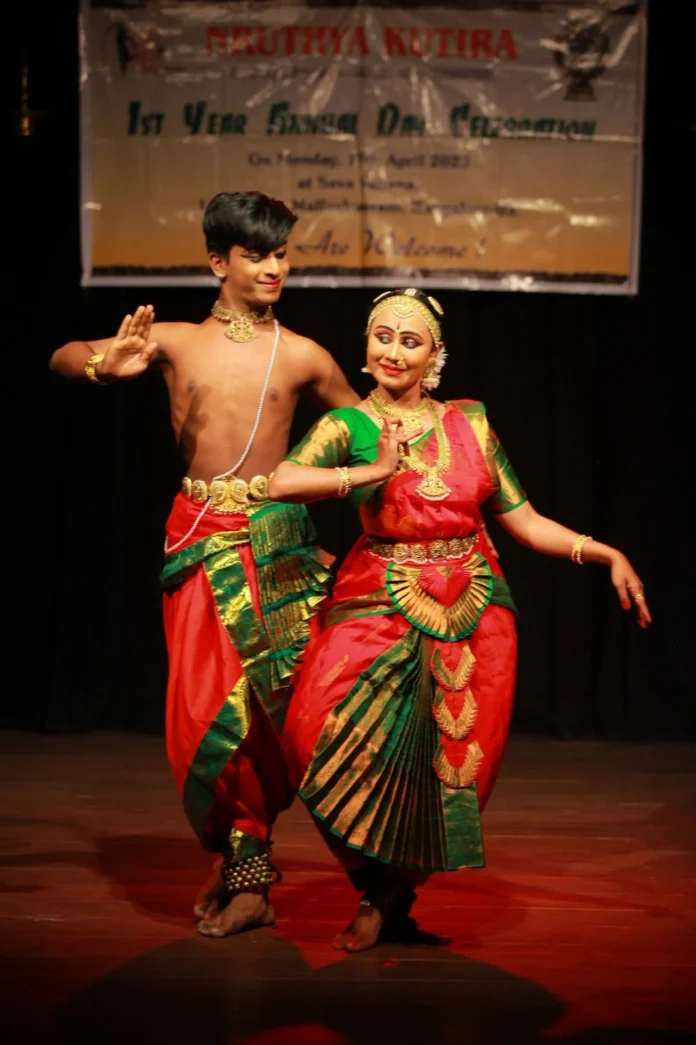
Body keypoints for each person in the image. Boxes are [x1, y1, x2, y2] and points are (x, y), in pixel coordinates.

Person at [268, 287, 651, 952]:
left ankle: (387, 898)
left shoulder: (471, 425)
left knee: (452, 764)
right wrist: (372, 469)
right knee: (311, 731)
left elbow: (524, 521)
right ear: (366, 344)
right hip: (378, 595)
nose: (393, 351)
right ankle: (374, 883)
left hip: (474, 607)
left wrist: (603, 552)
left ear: (435, 354)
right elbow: (281, 482)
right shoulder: (350, 425)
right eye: (382, 336)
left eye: (409, 340)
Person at [49, 191, 359, 938]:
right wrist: (102, 367)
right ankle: (240, 855)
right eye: (256, 255)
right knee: (202, 713)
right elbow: (63, 354)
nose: (273, 268)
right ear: (219, 262)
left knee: (265, 718)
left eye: (281, 254)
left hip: (276, 543)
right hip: (197, 537)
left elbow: (364, 424)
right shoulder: (177, 340)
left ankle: (251, 868)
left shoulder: (304, 355)